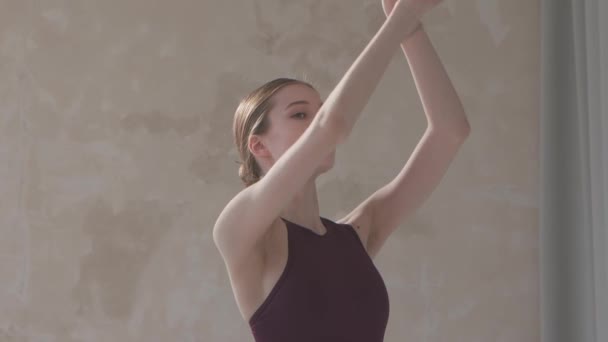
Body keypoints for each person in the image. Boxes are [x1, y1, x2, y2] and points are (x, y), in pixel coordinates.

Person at [213, 0, 470, 341]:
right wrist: (402, 16)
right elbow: (332, 125)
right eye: (300, 114)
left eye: (318, 111)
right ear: (259, 145)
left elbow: (450, 131)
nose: (317, 119)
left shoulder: (358, 233)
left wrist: (411, 30)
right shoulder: (240, 229)